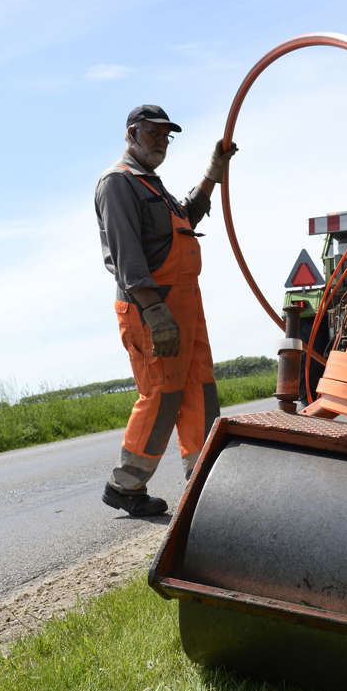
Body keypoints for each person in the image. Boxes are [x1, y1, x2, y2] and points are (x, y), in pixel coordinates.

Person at [95, 104, 237, 516]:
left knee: (198, 389)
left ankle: (202, 479)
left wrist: (213, 172)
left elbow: (186, 215)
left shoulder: (153, 186)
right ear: (131, 134)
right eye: (152, 133)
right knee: (162, 394)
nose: (160, 141)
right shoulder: (118, 184)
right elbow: (126, 254)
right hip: (151, 307)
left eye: (166, 135)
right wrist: (154, 311)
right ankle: (125, 485)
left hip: (185, 304)